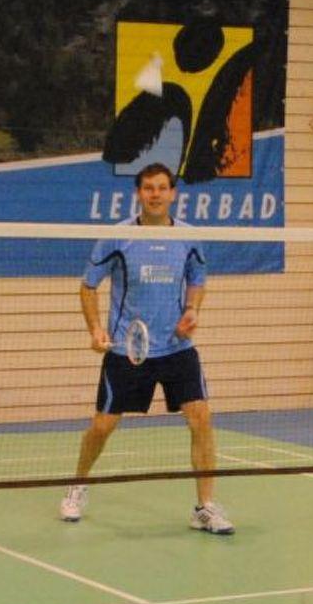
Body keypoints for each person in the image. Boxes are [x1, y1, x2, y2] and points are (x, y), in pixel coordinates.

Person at [61, 162, 234, 535]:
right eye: (148, 188)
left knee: (201, 418)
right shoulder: (118, 237)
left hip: (177, 347)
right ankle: (77, 484)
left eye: (162, 188)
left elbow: (198, 279)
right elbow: (88, 286)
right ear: (138, 194)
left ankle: (205, 507)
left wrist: (192, 309)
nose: (155, 194)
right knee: (102, 426)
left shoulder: (189, 238)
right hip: (128, 349)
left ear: (173, 193)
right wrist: (95, 330)